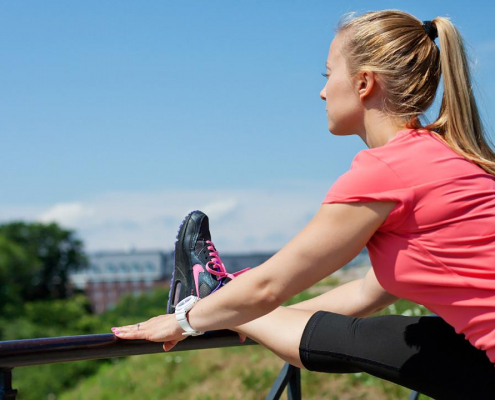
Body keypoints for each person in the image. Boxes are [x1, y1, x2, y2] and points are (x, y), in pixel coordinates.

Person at [111, 10, 495, 399]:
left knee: (390, 339)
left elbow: (267, 287)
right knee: (398, 338)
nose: (323, 91)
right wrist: (239, 314)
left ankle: (215, 292)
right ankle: (218, 293)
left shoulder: (388, 170)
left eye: (328, 75)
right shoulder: (446, 159)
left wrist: (185, 320)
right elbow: (364, 294)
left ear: (364, 83)